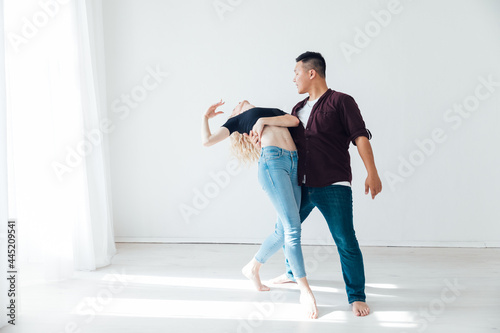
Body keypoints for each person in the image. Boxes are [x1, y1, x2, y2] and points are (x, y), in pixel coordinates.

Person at [247, 52, 382, 317]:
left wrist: (372, 173)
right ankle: (289, 272)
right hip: (302, 185)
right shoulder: (296, 110)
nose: (293, 78)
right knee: (287, 228)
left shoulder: (342, 102)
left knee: (345, 240)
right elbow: (288, 145)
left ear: (312, 73)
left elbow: (360, 138)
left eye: (296, 73)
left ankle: (356, 296)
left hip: (334, 184)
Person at [201, 100, 319, 319]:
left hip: (294, 161)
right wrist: (205, 118)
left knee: (283, 230)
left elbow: (294, 121)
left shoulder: (269, 112)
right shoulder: (237, 121)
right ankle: (305, 290)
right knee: (293, 228)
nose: (238, 104)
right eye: (235, 106)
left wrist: (263, 120)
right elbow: (207, 141)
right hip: (273, 162)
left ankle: (252, 268)